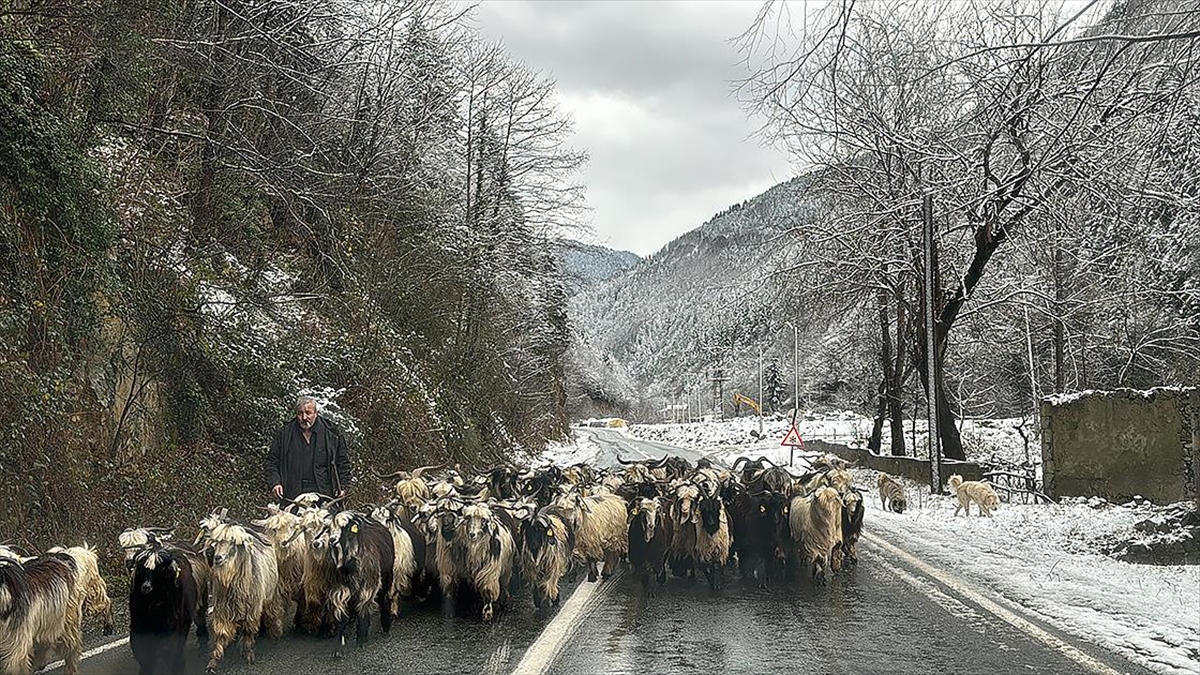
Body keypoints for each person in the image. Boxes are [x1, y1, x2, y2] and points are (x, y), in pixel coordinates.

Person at [265, 395, 351, 501]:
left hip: (324, 494)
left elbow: (343, 462)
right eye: (300, 413)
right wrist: (275, 483)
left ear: (316, 413)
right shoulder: (284, 434)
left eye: (308, 413)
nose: (304, 417)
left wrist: (342, 486)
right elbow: (272, 461)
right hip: (292, 494)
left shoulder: (332, 433)